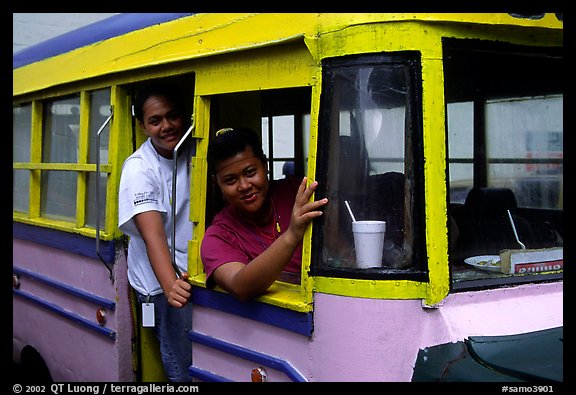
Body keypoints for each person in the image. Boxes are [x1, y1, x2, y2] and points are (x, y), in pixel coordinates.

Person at [118, 83, 194, 382]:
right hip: (158, 279)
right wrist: (170, 285)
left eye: (172, 116)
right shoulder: (139, 168)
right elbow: (153, 236)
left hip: (191, 268)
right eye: (155, 120)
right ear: (142, 125)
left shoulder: (193, 148)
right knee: (180, 362)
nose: (166, 126)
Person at [200, 127, 328, 301]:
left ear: (265, 165)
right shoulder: (219, 234)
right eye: (231, 180)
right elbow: (240, 286)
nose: (244, 186)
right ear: (217, 183)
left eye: (250, 173)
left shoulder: (298, 193)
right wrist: (292, 235)